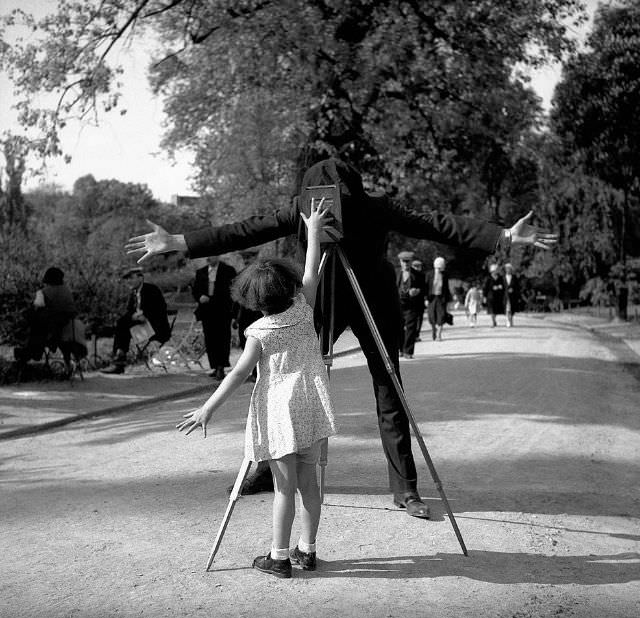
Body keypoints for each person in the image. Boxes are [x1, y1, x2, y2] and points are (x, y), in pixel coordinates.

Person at [127, 157, 556, 518]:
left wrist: (500, 236)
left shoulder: (374, 207)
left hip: (374, 300)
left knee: (389, 387)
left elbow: (433, 223)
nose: (331, 206)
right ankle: (263, 466)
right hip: (320, 294)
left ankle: (406, 488)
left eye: (339, 199)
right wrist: (178, 241)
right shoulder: (300, 207)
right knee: (277, 377)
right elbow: (246, 230)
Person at [178, 200, 336, 578]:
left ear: (253, 299)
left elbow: (235, 375)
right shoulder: (304, 309)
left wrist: (207, 409)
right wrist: (313, 232)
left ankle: (279, 557)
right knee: (308, 484)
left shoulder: (258, 333)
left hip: (280, 415)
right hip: (312, 407)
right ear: (288, 288)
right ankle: (307, 549)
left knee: (283, 489)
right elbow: (312, 270)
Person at [101, 267, 171, 374]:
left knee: (121, 325)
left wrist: (144, 315)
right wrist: (135, 316)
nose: (129, 281)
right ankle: (119, 356)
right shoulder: (133, 294)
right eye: (127, 279)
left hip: (156, 329)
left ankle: (119, 359)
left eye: (131, 278)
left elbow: (159, 309)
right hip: (141, 328)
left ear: (140, 278)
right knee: (122, 324)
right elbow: (129, 312)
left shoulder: (151, 290)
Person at [14, 266, 78, 364]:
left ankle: (31, 353)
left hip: (51, 330)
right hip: (70, 326)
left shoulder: (43, 292)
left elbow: (36, 307)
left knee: (34, 323)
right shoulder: (67, 291)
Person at [192, 256, 237, 380]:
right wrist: (200, 297)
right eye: (207, 256)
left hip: (222, 310)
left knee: (223, 337)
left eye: (212, 255)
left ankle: (221, 366)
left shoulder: (228, 270)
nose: (209, 258)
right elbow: (195, 290)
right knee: (210, 338)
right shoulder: (201, 272)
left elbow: (232, 290)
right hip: (207, 310)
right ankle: (215, 365)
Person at [396, 251, 426, 358]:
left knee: (411, 328)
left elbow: (425, 289)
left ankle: (408, 351)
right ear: (400, 262)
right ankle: (400, 349)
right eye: (404, 261)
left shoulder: (419, 275)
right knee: (398, 327)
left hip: (412, 306)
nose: (406, 264)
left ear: (411, 261)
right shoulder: (395, 273)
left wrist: (418, 291)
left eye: (408, 261)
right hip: (398, 305)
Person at [425, 256, 451, 341]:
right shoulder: (429, 274)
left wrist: (448, 300)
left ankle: (439, 335)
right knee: (431, 316)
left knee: (441, 316)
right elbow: (426, 287)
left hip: (441, 298)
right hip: (431, 298)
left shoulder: (445, 275)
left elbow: (446, 288)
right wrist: (425, 299)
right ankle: (434, 330)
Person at [411, 259, 426, 341]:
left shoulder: (423, 275)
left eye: (418, 266)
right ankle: (412, 334)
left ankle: (417, 335)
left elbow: (425, 287)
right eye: (415, 266)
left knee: (419, 319)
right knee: (412, 319)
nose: (417, 268)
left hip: (420, 300)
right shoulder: (409, 275)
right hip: (411, 301)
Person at [503, 263, 521, 327]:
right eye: (507, 269)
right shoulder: (503, 277)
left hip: (513, 296)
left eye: (509, 269)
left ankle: (511, 319)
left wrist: (513, 290)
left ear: (511, 270)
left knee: (512, 309)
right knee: (507, 308)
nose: (508, 270)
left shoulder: (514, 277)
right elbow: (502, 287)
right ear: (505, 270)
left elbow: (518, 287)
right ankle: (508, 320)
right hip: (505, 296)